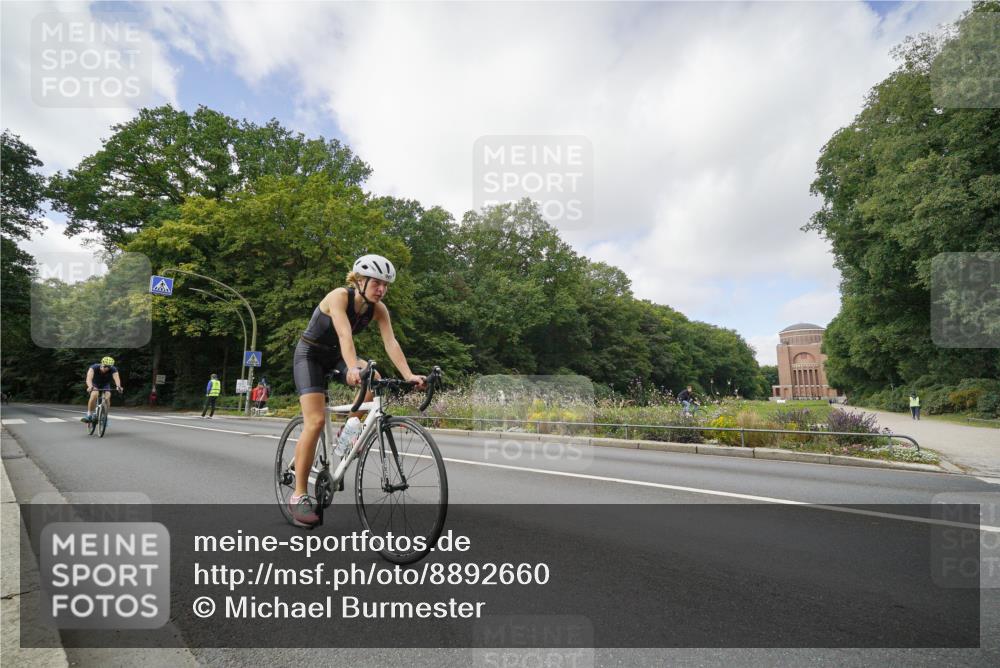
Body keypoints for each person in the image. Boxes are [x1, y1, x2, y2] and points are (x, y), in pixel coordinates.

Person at [289, 254, 426, 528]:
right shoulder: (339, 297)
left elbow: (391, 343)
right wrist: (352, 367)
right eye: (377, 283)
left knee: (373, 377)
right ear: (360, 280)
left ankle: (348, 428)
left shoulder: (379, 310)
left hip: (336, 356)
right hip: (310, 356)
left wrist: (409, 375)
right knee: (315, 421)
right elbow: (344, 335)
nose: (382, 289)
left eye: (386, 285)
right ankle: (299, 495)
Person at [81, 356, 123, 423]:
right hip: (94, 384)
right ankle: (89, 415)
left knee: (108, 396)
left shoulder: (113, 369)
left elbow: (116, 378)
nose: (106, 368)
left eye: (108, 367)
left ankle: (104, 416)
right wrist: (90, 386)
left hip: (105, 384)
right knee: (94, 394)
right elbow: (89, 379)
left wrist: (118, 386)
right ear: (101, 364)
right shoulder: (94, 367)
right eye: (105, 366)